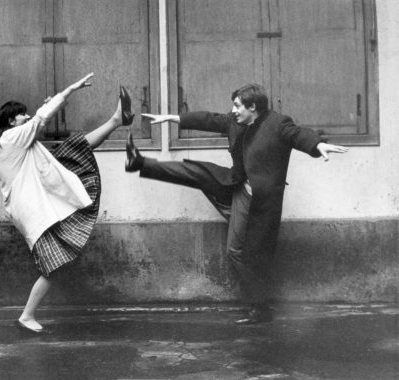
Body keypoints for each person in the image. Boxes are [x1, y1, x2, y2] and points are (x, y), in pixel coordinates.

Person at [126, 83, 348, 324]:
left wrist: (317, 145)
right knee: (197, 172)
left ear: (253, 107)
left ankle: (259, 308)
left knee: (243, 253)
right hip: (236, 186)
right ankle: (140, 162)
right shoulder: (235, 122)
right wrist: (172, 117)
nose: (233, 110)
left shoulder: (278, 123)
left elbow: (297, 134)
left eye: (237, 105)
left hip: (262, 203)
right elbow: (209, 120)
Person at [0, 73, 134, 333]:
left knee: (75, 148)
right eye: (21, 114)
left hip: (34, 207)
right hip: (35, 212)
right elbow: (43, 116)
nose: (26, 116)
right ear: (11, 122)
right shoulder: (13, 138)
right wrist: (70, 90)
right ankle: (26, 316)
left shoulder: (4, 148)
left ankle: (116, 119)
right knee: (53, 267)